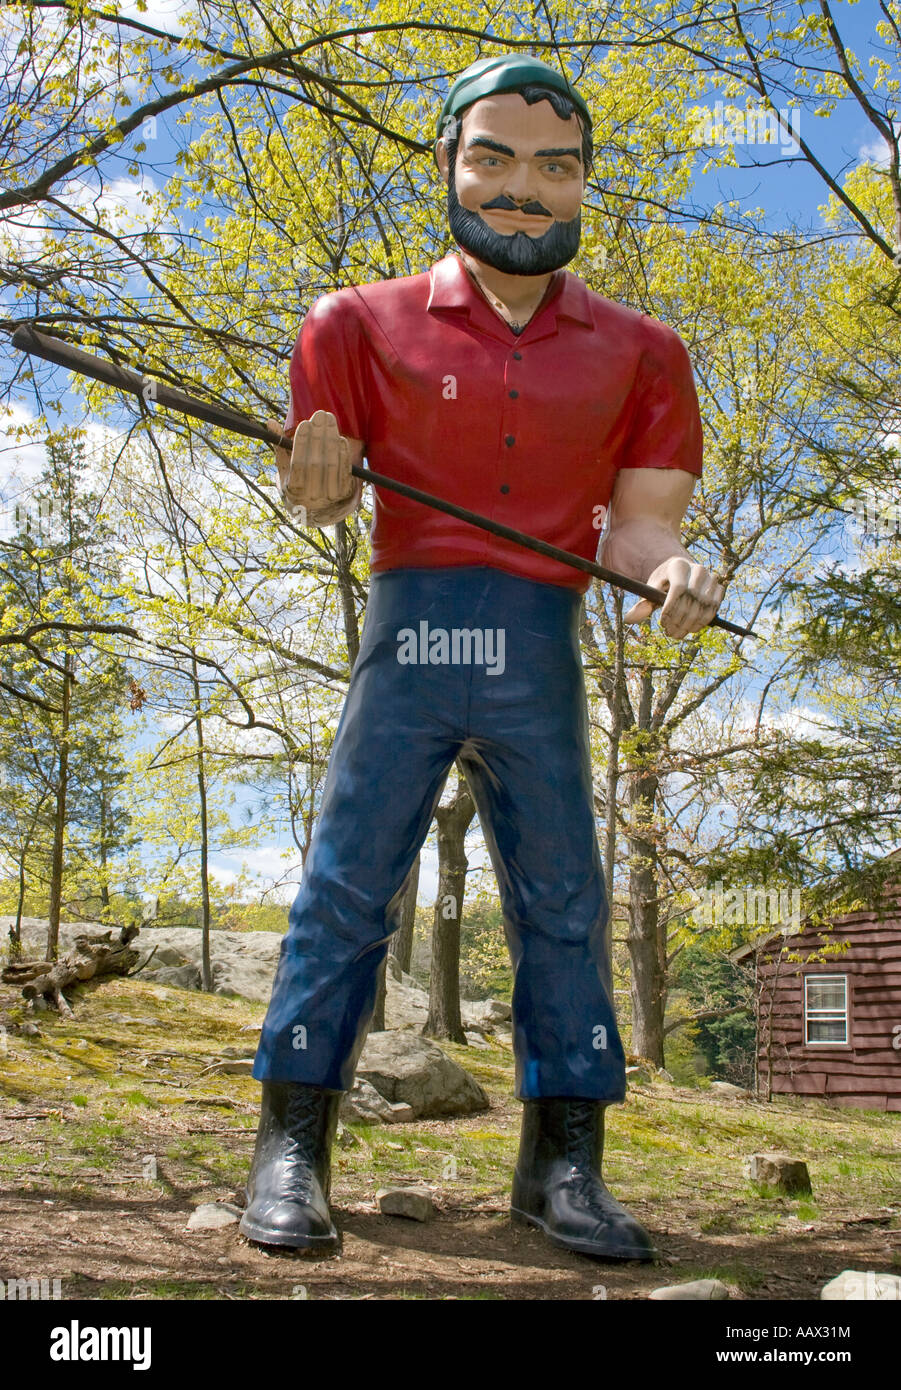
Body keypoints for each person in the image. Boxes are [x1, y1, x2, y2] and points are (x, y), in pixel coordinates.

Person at [240, 54, 724, 1261]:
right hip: (407, 629)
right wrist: (315, 470)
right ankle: (292, 1144)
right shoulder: (349, 322)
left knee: (565, 897)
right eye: (493, 159)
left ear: (582, 186)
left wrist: (670, 569)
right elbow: (321, 483)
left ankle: (564, 1160)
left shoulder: (645, 351)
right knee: (347, 886)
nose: (521, 190)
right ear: (450, 165)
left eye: (552, 168)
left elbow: (647, 523)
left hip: (538, 641)